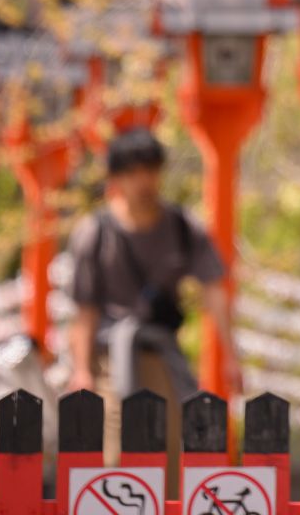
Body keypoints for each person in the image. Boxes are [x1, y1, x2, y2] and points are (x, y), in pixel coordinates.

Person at [66, 128, 235, 488]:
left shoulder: (182, 226)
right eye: (132, 172)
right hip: (109, 359)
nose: (143, 181)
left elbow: (214, 290)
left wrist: (231, 355)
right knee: (113, 453)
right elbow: (85, 310)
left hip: (161, 354)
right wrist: (81, 370)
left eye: (150, 170)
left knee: (170, 455)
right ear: (117, 178)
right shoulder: (96, 232)